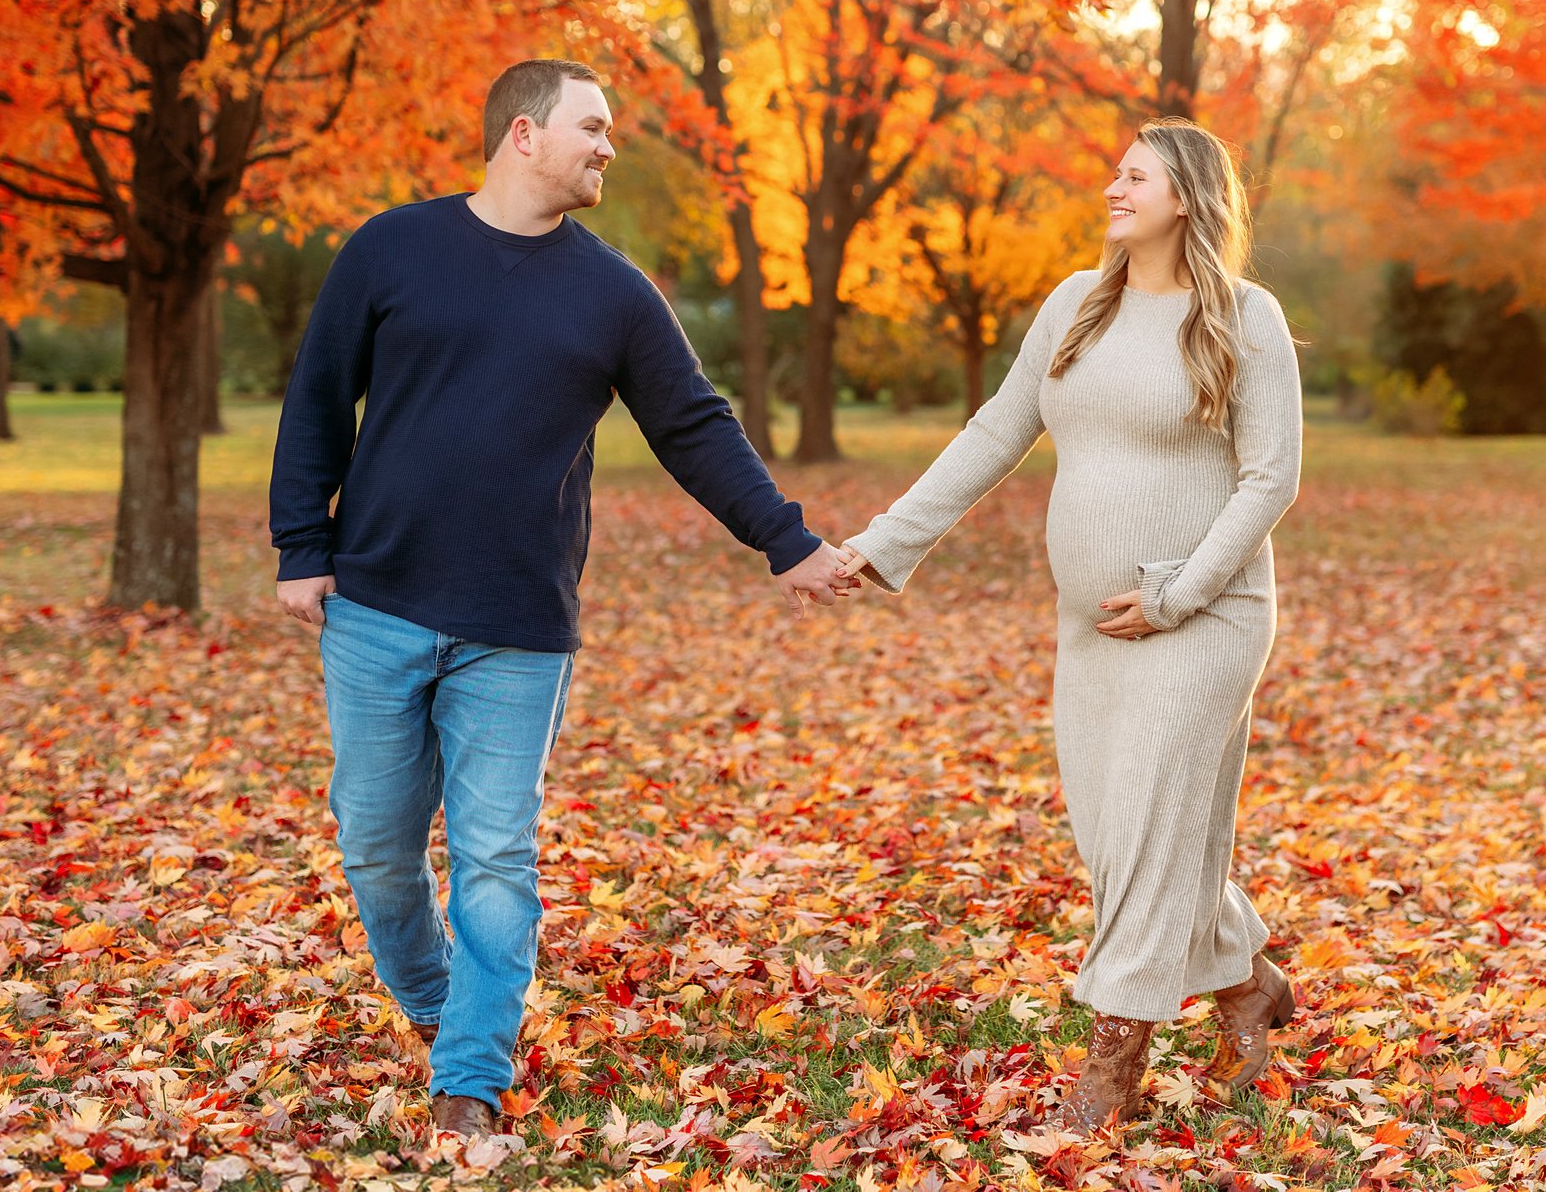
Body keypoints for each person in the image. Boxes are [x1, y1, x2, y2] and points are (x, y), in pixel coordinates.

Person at [270, 59, 859, 1138]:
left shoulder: (614, 292)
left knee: (496, 852)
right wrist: (301, 543)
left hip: (518, 623)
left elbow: (693, 424)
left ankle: (469, 1078)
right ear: (525, 133)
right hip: (378, 603)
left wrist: (786, 540)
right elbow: (317, 393)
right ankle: (447, 1011)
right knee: (375, 847)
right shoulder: (391, 248)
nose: (608, 146)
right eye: (593, 128)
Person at [834, 117, 1303, 1132]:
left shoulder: (1245, 316)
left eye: (1133, 175)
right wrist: (884, 541)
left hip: (1204, 618)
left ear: (1185, 196)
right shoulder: (1076, 305)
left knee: (1145, 826)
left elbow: (1272, 477)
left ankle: (1112, 1060)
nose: (1110, 188)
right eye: (1113, 171)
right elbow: (996, 429)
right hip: (1091, 627)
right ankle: (1245, 980)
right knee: (1119, 836)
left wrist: (1180, 592)